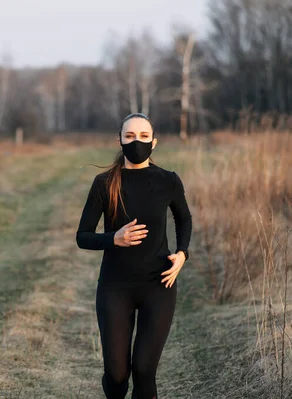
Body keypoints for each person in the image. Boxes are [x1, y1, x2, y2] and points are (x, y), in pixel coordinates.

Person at [75, 113, 192, 399]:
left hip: (159, 285)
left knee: (143, 371)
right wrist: (113, 238)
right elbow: (83, 236)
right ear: (120, 141)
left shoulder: (168, 180)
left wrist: (182, 254)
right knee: (116, 376)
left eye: (142, 137)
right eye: (129, 137)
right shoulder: (104, 184)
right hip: (115, 287)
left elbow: (184, 219)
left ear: (154, 142)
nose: (135, 142)